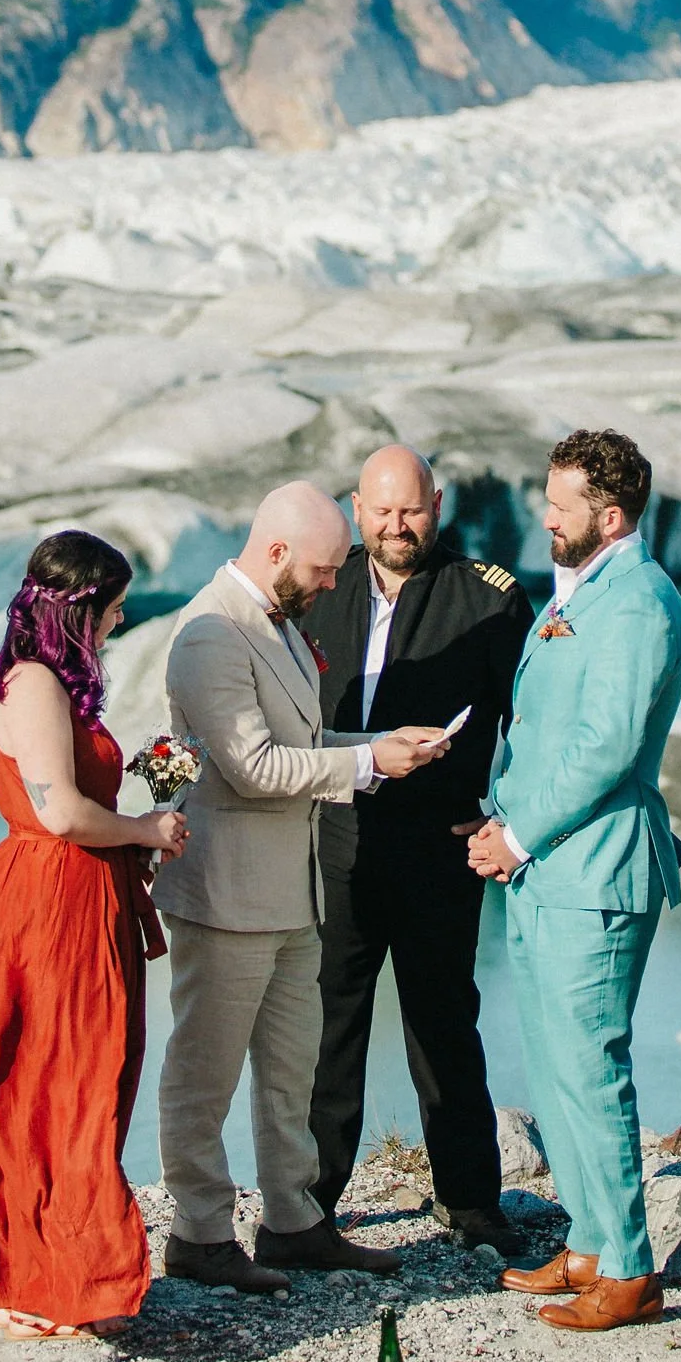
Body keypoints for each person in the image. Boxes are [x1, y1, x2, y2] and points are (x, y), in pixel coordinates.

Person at [156, 481, 454, 1295]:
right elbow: (252, 768)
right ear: (277, 551)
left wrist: (381, 743)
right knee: (205, 1073)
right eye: (323, 570)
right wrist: (365, 764)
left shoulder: (279, 623)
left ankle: (294, 1221)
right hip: (225, 895)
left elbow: (306, 738)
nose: (333, 584)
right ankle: (199, 1232)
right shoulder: (211, 632)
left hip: (290, 892)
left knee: (293, 1070)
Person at [467, 429, 681, 1333]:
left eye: (561, 506)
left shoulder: (638, 604)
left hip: (594, 869)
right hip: (548, 870)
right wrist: (499, 818)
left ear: (611, 515)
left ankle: (630, 1269)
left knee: (593, 1067)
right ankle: (591, 1240)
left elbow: (607, 746)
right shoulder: (586, 591)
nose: (546, 518)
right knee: (555, 1063)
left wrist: (517, 836)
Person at [301, 445, 534, 1258]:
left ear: (438, 507)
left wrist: (505, 813)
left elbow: (531, 720)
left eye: (412, 510)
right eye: (383, 511)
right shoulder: (321, 589)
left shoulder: (488, 598)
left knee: (444, 1024)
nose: (397, 526)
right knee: (330, 1024)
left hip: (440, 843)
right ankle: (309, 1204)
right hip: (337, 835)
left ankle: (470, 1201)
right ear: (356, 510)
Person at [0, 528, 186, 1342]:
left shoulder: (44, 681)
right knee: (57, 1082)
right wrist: (142, 829)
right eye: (114, 609)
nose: (120, 622)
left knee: (86, 1078)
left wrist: (138, 826)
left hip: (77, 891)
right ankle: (43, 1284)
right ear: (79, 609)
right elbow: (60, 812)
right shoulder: (33, 683)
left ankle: (68, 1275)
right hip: (52, 900)